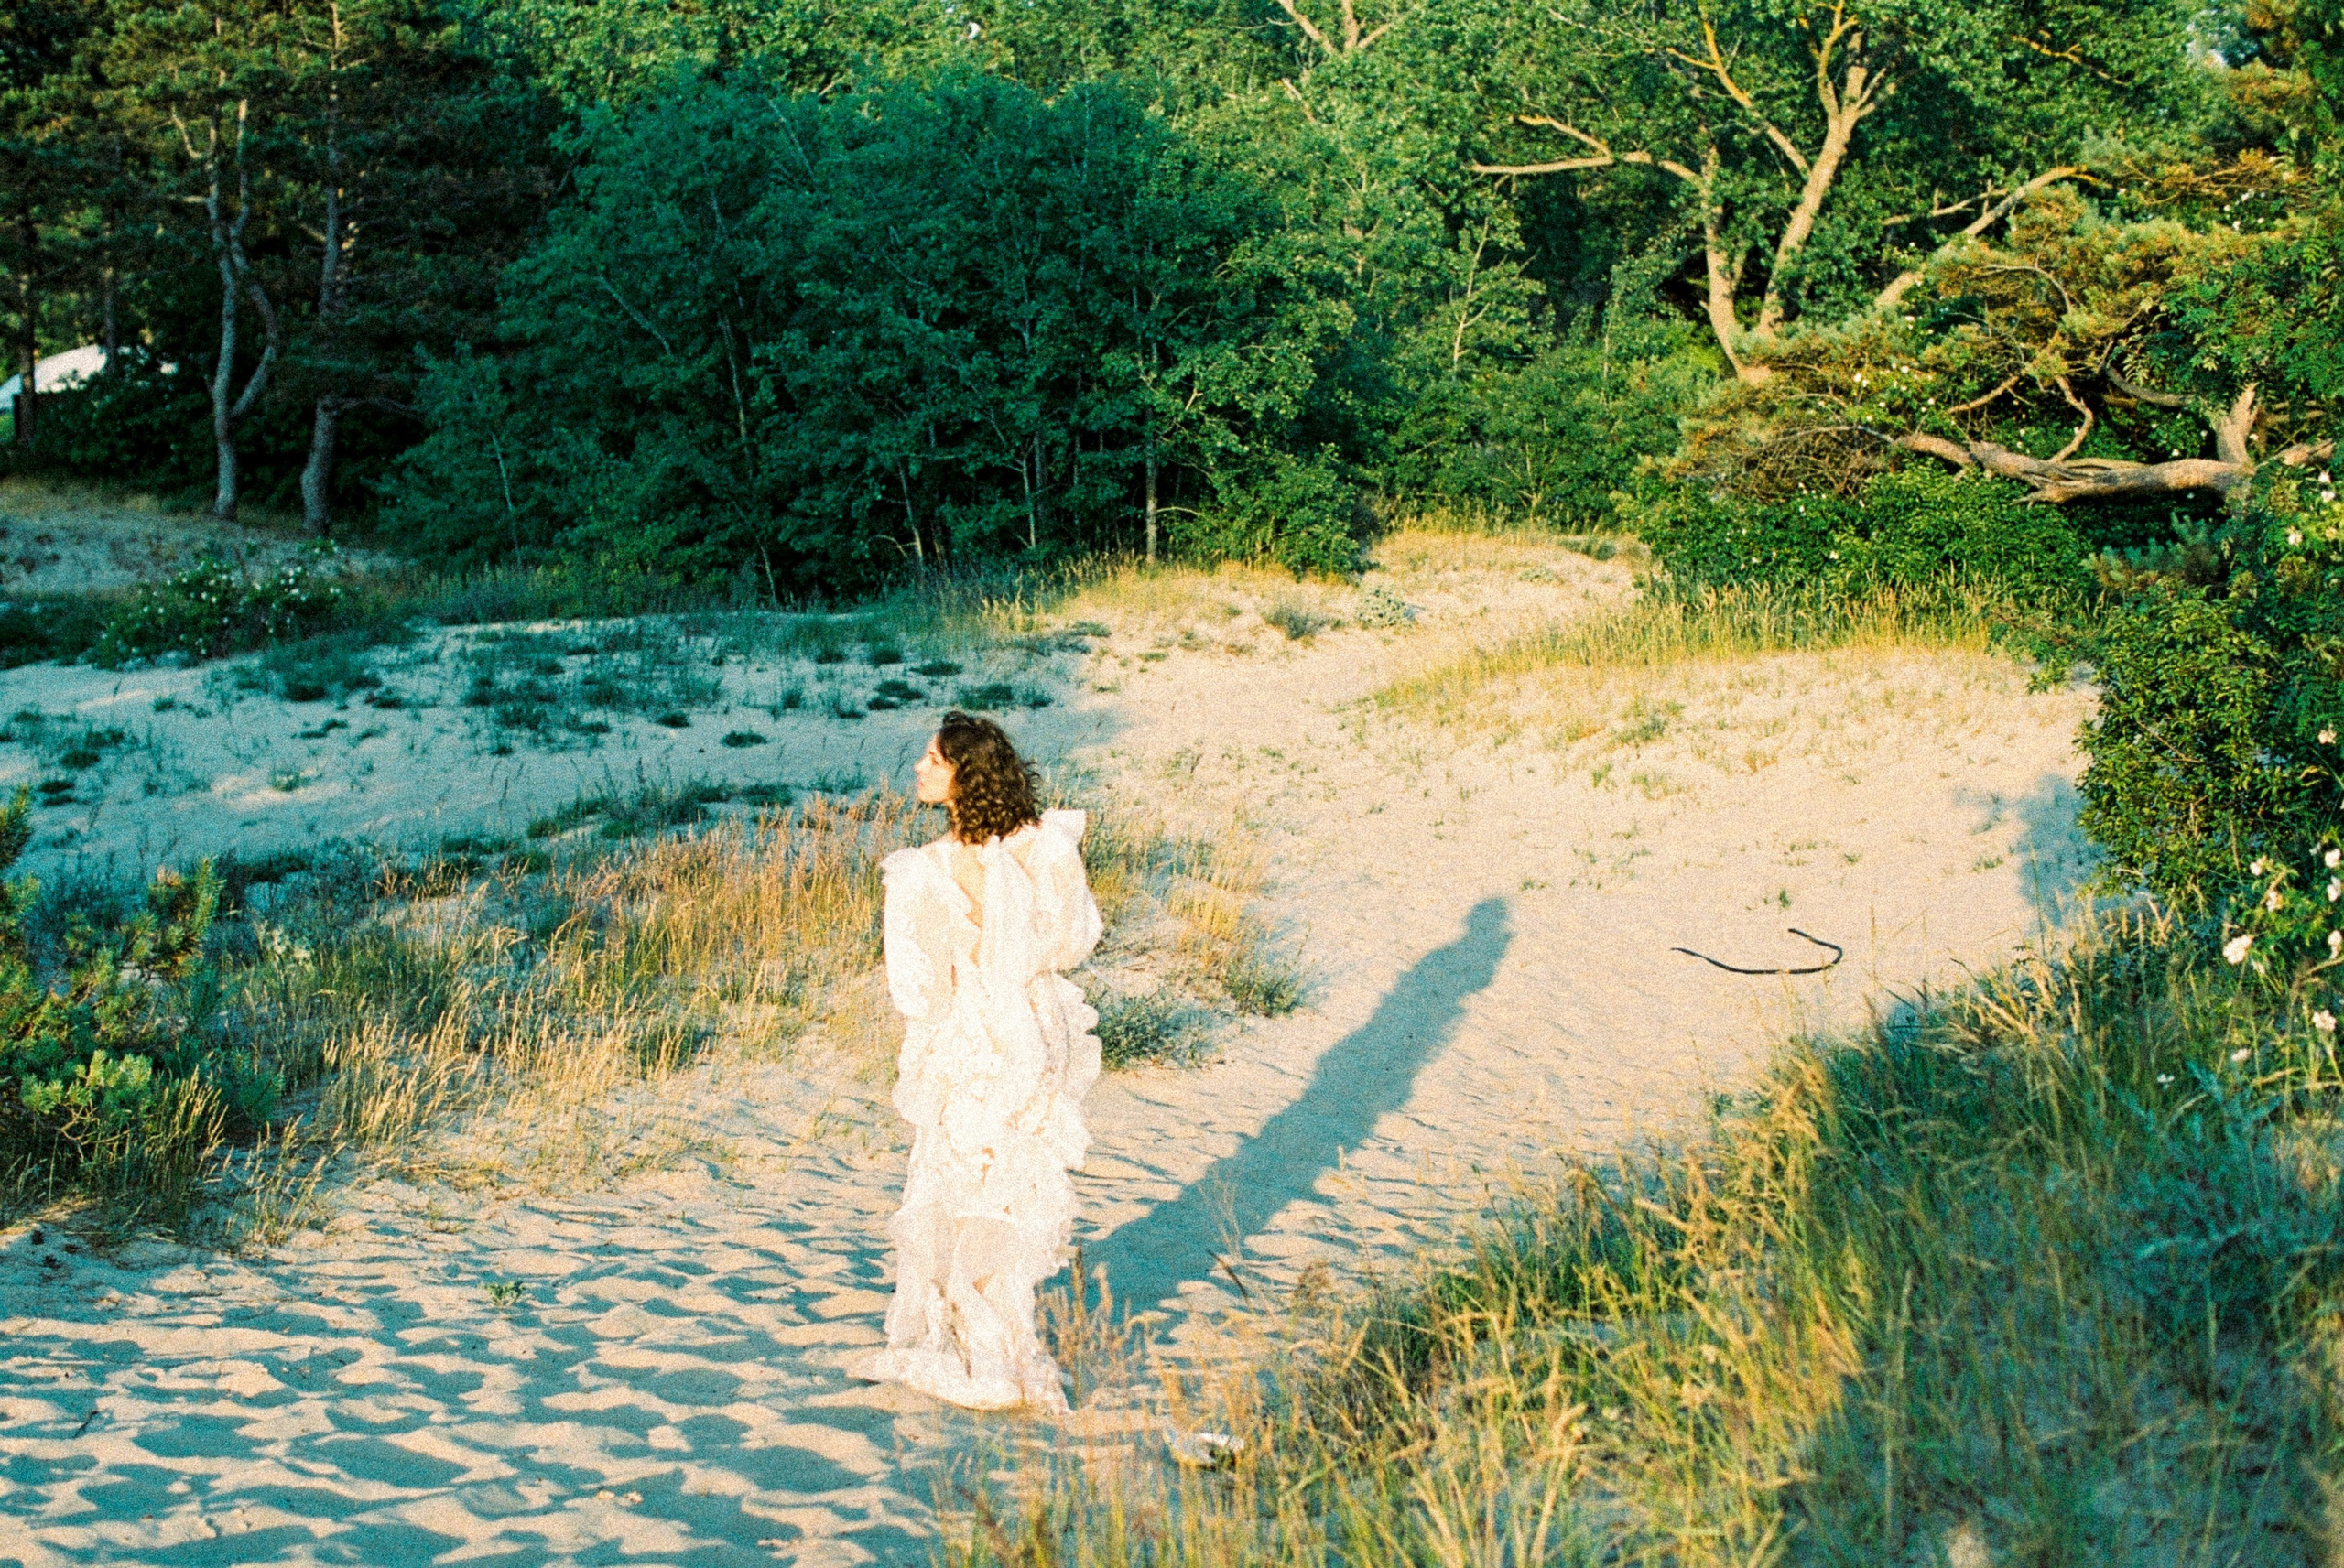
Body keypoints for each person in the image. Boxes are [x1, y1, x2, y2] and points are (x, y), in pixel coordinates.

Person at [848, 710, 1103, 1411]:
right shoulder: (1043, 845)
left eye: (933, 760)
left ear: (965, 774)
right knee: (1008, 1183)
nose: (919, 770)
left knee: (956, 1179)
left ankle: (976, 1340)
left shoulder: (925, 870)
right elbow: (1074, 939)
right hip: (1035, 1032)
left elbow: (919, 989)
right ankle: (1002, 1328)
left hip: (974, 1041)